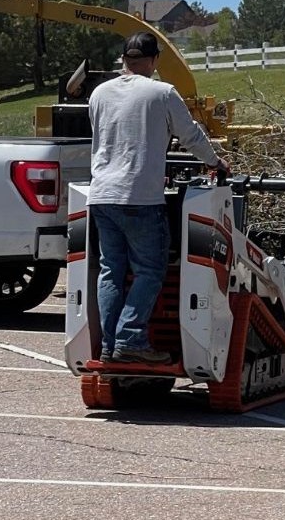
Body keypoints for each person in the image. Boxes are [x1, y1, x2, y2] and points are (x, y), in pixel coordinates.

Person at [89, 31, 229, 364]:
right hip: (139, 196)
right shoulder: (162, 93)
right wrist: (215, 161)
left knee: (110, 271)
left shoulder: (99, 94)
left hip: (101, 195)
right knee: (150, 270)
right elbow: (191, 135)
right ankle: (131, 338)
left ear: (125, 59)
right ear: (154, 61)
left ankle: (109, 346)